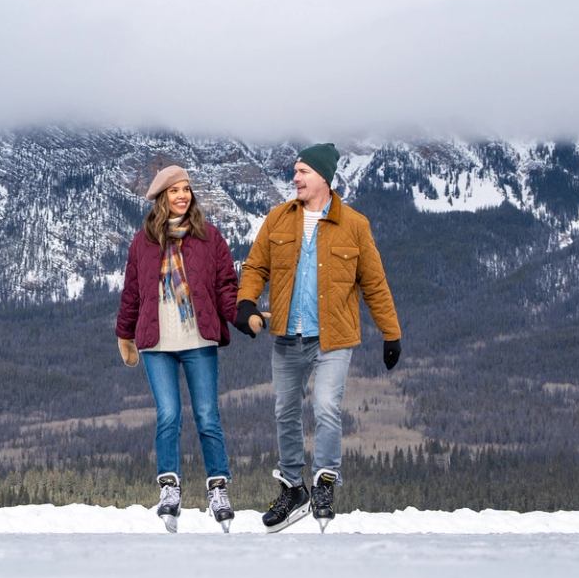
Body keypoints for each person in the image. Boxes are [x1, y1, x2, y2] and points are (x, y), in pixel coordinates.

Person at [234, 143, 401, 531]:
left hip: (333, 338)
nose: (295, 178)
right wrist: (246, 303)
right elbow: (256, 265)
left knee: (325, 406)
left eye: (303, 172)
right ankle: (294, 488)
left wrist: (391, 334)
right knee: (285, 412)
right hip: (288, 337)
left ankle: (324, 481)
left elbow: (374, 284)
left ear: (324, 178)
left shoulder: (355, 225)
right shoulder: (277, 219)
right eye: (295, 172)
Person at [116, 164, 240, 531]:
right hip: (157, 343)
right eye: (174, 191)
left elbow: (225, 287)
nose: (182, 196)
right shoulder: (143, 242)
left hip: (198, 339)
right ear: (161, 197)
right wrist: (124, 335)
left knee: (207, 415)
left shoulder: (209, 238)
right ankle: (169, 487)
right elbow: (132, 294)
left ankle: (218, 487)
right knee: (168, 414)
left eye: (186, 189)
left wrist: (241, 316)